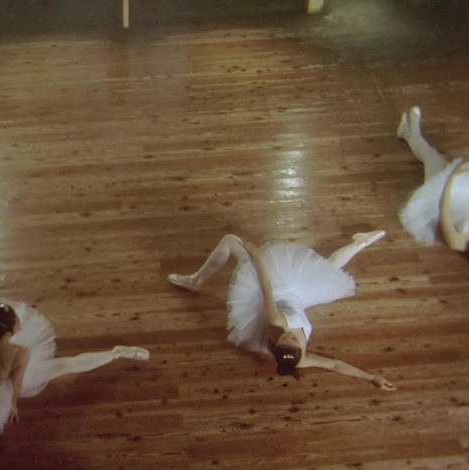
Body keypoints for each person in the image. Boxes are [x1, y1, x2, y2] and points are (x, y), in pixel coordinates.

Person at [167, 232, 395, 391]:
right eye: (294, 339)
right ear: (300, 350)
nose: (289, 334)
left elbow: (266, 285)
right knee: (328, 269)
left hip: (277, 288)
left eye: (284, 338)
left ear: (277, 345)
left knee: (229, 240)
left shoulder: (276, 321)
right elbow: (335, 365)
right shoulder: (300, 360)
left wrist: (255, 255)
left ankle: (194, 281)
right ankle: (360, 242)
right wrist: (371, 377)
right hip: (299, 297)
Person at [0, 297, 150, 447]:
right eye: (16, 320)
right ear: (9, 331)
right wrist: (13, 403)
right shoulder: (19, 353)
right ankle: (114, 354)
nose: (20, 320)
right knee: (66, 365)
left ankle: (114, 354)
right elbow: (17, 383)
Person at [397, 106, 469, 251]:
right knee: (435, 157)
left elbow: (445, 212)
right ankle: (408, 133)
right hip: (461, 190)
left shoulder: (461, 241)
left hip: (440, 196)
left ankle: (411, 134)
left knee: (431, 157)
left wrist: (452, 178)